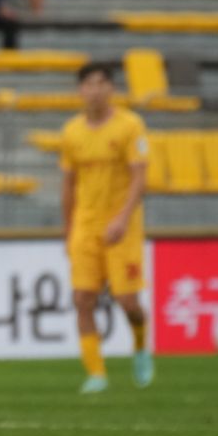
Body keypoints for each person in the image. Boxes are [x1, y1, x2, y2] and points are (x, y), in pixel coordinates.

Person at [58, 62, 154, 394]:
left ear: (111, 89)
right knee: (82, 298)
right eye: (88, 84)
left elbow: (140, 178)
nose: (95, 90)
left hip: (121, 225)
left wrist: (123, 218)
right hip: (86, 225)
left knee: (128, 303)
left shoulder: (130, 126)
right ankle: (96, 373)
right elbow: (68, 183)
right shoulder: (71, 132)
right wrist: (67, 228)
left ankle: (140, 347)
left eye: (101, 83)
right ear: (80, 90)